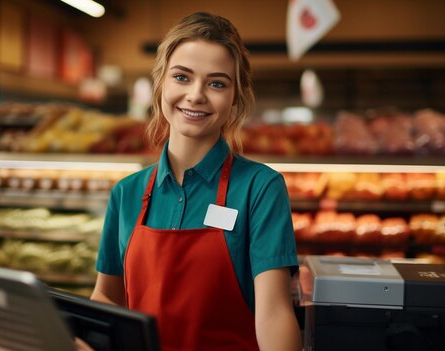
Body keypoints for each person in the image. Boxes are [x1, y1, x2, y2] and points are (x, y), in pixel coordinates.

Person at [91, 11, 302, 351]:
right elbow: (106, 294)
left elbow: (274, 314)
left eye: (216, 83)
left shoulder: (260, 188)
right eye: (182, 77)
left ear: (235, 97)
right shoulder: (126, 193)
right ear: (161, 83)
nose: (196, 95)